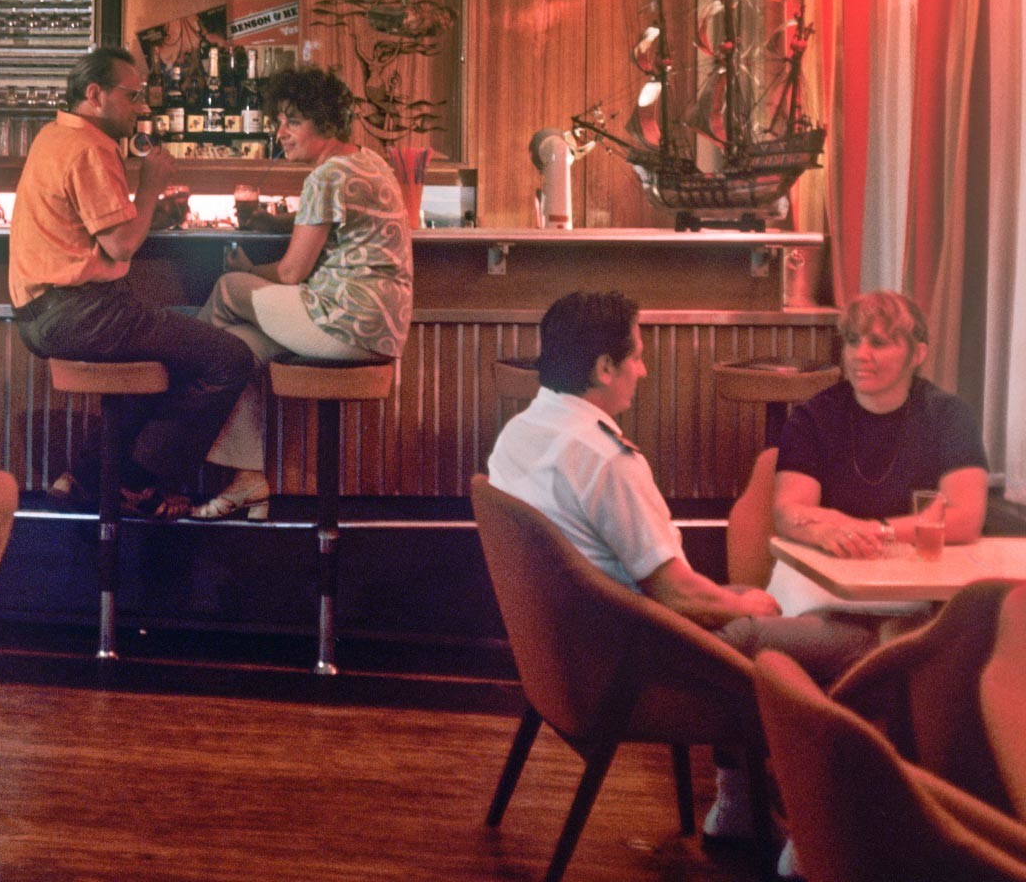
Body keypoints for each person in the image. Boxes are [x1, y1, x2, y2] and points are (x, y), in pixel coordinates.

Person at [488, 290, 878, 844]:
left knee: (757, 608)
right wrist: (747, 603)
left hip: (566, 661)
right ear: (604, 368)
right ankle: (814, 833)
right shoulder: (603, 458)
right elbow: (676, 597)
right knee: (857, 643)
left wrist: (737, 600)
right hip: (636, 665)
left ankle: (741, 802)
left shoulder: (518, 435)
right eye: (637, 357)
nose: (643, 371)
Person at [8, 46, 255, 520]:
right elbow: (121, 246)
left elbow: (101, 230)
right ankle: (138, 482)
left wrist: (152, 210)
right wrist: (150, 183)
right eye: (132, 95)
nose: (142, 107)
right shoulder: (90, 147)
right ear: (95, 94)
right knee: (229, 358)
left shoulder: (53, 135)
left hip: (42, 314)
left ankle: (85, 474)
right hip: (81, 311)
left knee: (170, 361)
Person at [193, 67, 413, 520]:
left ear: (325, 122)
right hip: (378, 329)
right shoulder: (370, 162)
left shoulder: (326, 176)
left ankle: (172, 431)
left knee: (227, 291)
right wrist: (279, 224)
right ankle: (248, 481)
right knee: (237, 349)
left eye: (293, 120)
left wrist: (251, 270)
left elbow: (293, 272)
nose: (280, 132)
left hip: (341, 324)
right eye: (279, 120)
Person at [768, 290, 990, 612]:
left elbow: (965, 517)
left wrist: (875, 531)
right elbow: (788, 511)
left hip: (915, 585)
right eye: (853, 341)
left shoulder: (950, 415)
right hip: (825, 579)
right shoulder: (812, 417)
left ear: (918, 354)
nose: (860, 354)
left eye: (879, 343)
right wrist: (825, 532)